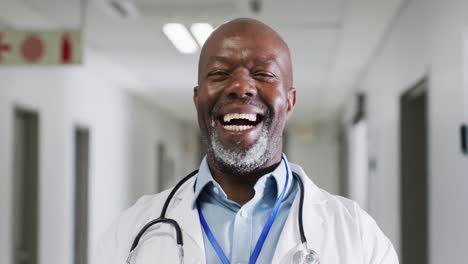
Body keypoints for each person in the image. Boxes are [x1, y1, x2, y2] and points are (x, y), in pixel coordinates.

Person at [93, 18, 398, 264]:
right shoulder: (130, 233)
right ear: (198, 100)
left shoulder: (358, 236)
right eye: (220, 73)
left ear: (289, 103)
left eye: (263, 73)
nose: (240, 86)